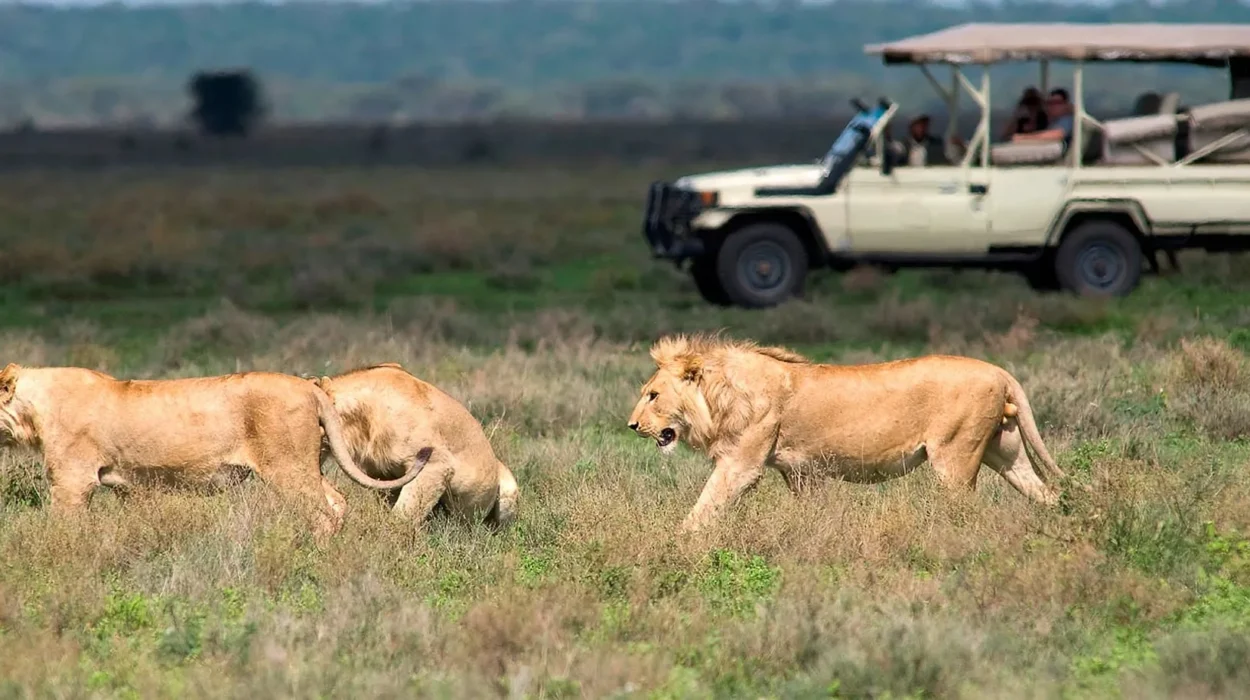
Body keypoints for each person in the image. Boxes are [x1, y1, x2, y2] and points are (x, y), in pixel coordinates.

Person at [895, 114, 960, 166]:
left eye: (924, 125)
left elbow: (952, 157)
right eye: (918, 125)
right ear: (912, 127)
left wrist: (959, 146)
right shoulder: (903, 146)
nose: (921, 129)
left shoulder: (937, 144)